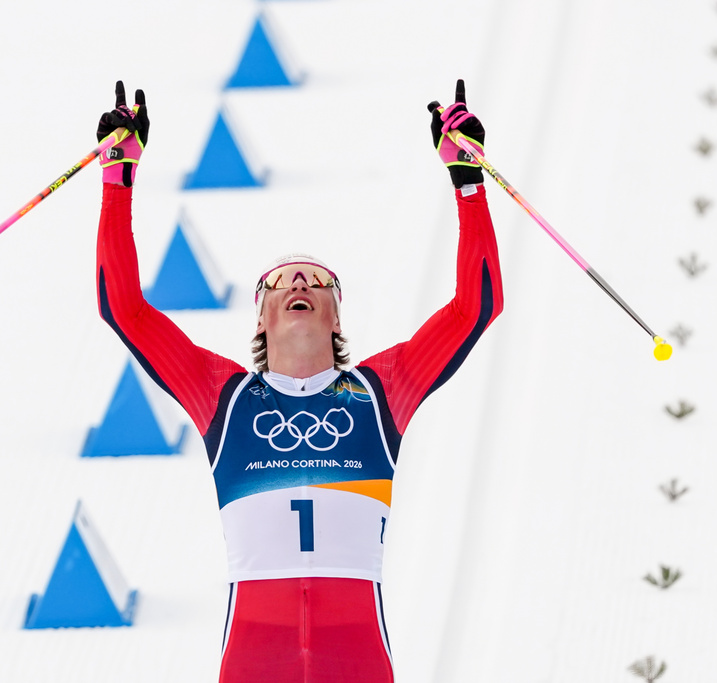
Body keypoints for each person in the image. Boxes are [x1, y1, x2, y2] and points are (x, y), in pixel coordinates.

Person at [94, 79, 503, 683]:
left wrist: (468, 183)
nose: (300, 284)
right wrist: (117, 178)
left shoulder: (380, 393)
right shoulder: (224, 397)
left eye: (317, 280)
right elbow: (123, 308)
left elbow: (476, 306)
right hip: (255, 657)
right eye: (282, 282)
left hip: (356, 655)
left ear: (336, 317)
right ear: (260, 317)